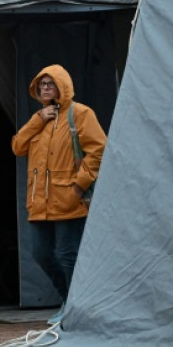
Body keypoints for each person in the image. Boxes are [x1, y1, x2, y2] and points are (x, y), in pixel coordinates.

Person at [11, 64, 106, 324]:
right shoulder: (40, 118)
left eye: (50, 84)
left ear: (62, 86)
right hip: (39, 201)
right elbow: (18, 146)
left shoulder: (81, 114)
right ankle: (69, 300)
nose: (44, 88)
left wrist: (79, 185)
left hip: (68, 198)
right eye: (41, 84)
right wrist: (38, 119)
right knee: (40, 253)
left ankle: (76, 307)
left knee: (67, 255)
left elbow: (98, 150)